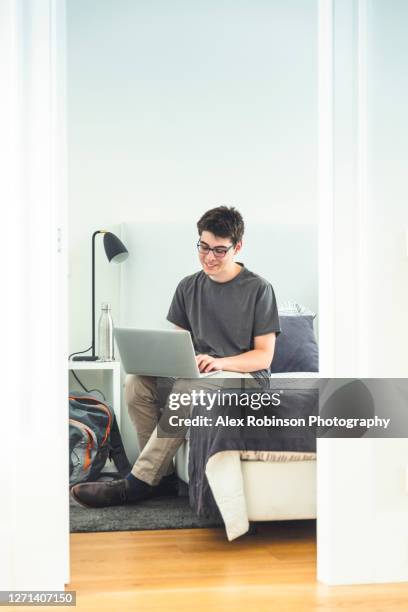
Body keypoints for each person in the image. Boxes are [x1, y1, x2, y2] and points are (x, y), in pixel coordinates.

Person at [71, 206, 281, 508]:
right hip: (200, 375)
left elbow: (264, 357)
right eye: (203, 247)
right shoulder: (188, 287)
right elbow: (177, 345)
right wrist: (175, 363)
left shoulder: (259, 289)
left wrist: (220, 362)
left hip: (244, 379)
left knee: (186, 389)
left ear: (238, 247)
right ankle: (164, 477)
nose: (209, 257)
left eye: (220, 251)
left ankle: (139, 481)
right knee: (137, 384)